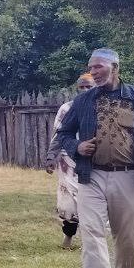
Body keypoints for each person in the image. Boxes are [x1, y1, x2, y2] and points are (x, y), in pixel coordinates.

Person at [55, 47, 134, 268]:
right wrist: (78, 146)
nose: (93, 72)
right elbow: (64, 134)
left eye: (98, 67)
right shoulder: (84, 101)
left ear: (115, 68)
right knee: (91, 232)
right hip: (91, 176)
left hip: (129, 175)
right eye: (91, 67)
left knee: (128, 236)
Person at [44, 73, 96, 248]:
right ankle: (68, 238)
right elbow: (59, 134)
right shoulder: (66, 108)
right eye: (82, 87)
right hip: (68, 160)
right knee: (69, 202)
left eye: (89, 86)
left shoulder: (102, 108)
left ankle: (90, 241)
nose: (85, 90)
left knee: (91, 201)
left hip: (94, 160)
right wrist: (51, 157)